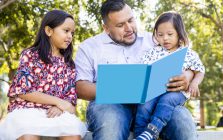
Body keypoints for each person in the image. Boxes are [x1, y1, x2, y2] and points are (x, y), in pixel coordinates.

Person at [75, 0, 197, 140]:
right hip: (110, 106)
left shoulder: (155, 40)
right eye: (120, 25)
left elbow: (188, 59)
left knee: (183, 120)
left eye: (131, 20)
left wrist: (187, 76)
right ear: (106, 28)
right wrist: (122, 89)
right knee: (111, 123)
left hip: (154, 105)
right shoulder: (89, 47)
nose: (129, 28)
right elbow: (80, 88)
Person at [0, 10, 86, 140]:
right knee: (28, 134)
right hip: (27, 111)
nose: (70, 36)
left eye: (72, 33)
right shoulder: (30, 55)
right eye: (66, 31)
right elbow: (24, 91)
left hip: (56, 113)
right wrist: (59, 102)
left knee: (72, 133)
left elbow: (70, 105)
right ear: (49, 31)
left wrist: (61, 107)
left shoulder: (69, 64)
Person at [135, 11, 205, 140]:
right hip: (154, 90)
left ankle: (153, 130)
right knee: (144, 105)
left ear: (179, 34)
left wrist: (194, 83)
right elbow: (142, 71)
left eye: (170, 34)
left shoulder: (188, 53)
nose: (165, 38)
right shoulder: (152, 52)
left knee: (166, 100)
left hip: (176, 92)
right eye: (160, 35)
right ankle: (140, 135)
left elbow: (199, 70)